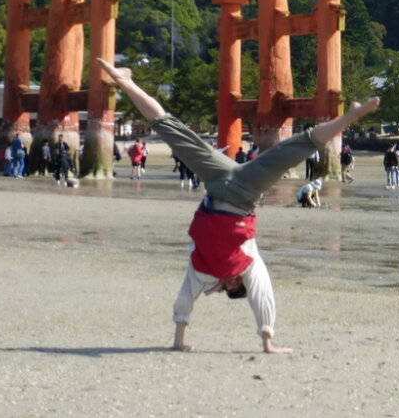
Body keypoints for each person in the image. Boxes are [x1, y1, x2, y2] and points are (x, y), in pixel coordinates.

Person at [98, 57, 379, 355]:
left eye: (230, 289)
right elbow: (263, 296)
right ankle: (352, 116)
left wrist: (178, 340)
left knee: (171, 130)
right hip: (245, 190)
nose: (232, 285)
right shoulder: (248, 263)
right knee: (298, 146)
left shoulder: (204, 271)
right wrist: (267, 340)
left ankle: (125, 82)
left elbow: (185, 299)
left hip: (218, 183)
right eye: (236, 288)